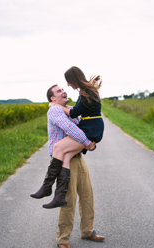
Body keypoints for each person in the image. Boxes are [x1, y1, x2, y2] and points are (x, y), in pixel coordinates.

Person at [32, 66, 103, 209]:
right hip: (90, 129)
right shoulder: (85, 93)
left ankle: (47, 187)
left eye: (68, 83)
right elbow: (75, 113)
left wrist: (55, 106)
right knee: (64, 156)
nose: (67, 86)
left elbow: (73, 116)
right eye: (60, 90)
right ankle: (58, 196)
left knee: (58, 147)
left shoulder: (86, 93)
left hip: (91, 129)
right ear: (53, 97)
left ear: (74, 79)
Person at [43, 85, 103, 248]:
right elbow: (72, 129)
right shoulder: (55, 112)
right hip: (64, 160)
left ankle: (88, 231)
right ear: (53, 99)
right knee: (68, 199)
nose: (64, 91)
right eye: (59, 91)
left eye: (63, 89)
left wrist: (68, 108)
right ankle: (62, 238)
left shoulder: (67, 109)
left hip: (77, 156)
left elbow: (80, 122)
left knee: (87, 195)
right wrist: (88, 142)